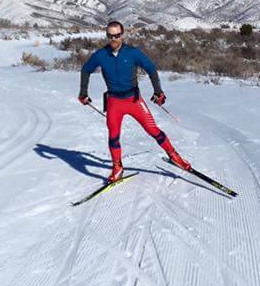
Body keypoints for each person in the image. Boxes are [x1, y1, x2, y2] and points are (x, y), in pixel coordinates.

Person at [78, 20, 191, 183]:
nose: (114, 39)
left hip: (133, 100)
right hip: (114, 102)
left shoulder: (132, 53)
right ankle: (117, 167)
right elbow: (86, 70)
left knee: (153, 130)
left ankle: (174, 156)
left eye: (117, 35)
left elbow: (151, 68)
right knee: (113, 137)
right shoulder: (101, 55)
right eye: (110, 36)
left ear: (122, 35)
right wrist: (83, 92)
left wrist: (158, 91)